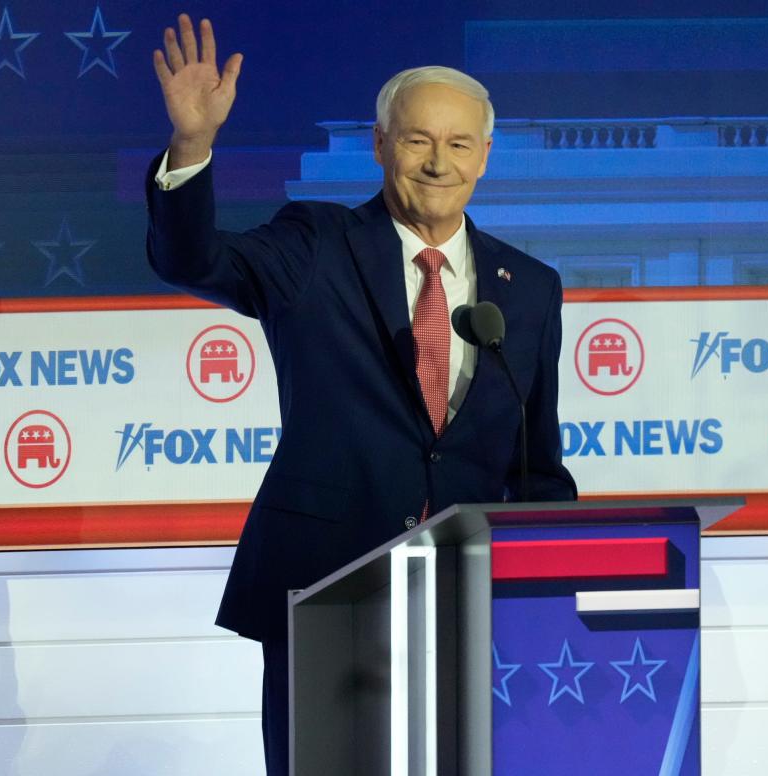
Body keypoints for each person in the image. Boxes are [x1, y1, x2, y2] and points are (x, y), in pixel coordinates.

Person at [147, 15, 576, 775]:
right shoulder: (315, 246)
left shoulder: (531, 287)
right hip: (329, 590)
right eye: (417, 140)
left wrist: (553, 588)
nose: (438, 163)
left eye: (458, 144)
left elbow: (535, 464)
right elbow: (196, 259)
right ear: (380, 146)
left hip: (468, 605)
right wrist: (192, 147)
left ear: (484, 158)